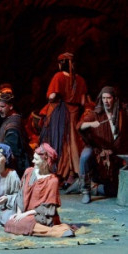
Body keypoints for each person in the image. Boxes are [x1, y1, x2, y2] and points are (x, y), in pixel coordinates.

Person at [38, 52, 89, 186]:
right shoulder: (81, 79)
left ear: (61, 64)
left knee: (61, 141)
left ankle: (63, 172)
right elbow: (83, 102)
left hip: (60, 114)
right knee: (73, 141)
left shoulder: (59, 76)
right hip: (75, 113)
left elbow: (52, 96)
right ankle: (74, 171)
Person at [4, 144, 75, 237]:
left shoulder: (52, 181)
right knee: (10, 223)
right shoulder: (29, 172)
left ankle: (57, 232)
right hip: (26, 215)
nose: (33, 161)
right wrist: (19, 214)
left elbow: (47, 208)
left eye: (36, 159)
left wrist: (25, 215)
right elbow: (21, 195)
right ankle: (53, 231)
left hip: (42, 215)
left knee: (23, 224)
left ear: (45, 161)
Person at [77, 86, 128, 203]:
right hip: (97, 149)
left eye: (108, 98)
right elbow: (79, 125)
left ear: (114, 99)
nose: (106, 101)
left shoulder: (121, 115)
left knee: (115, 191)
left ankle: (93, 188)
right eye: (104, 98)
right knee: (85, 156)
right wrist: (90, 124)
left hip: (114, 153)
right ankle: (85, 190)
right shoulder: (96, 114)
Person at [0, 91, 29, 175]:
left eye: (2, 106)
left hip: (12, 168)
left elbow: (12, 151)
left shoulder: (13, 125)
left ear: (11, 106)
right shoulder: (8, 119)